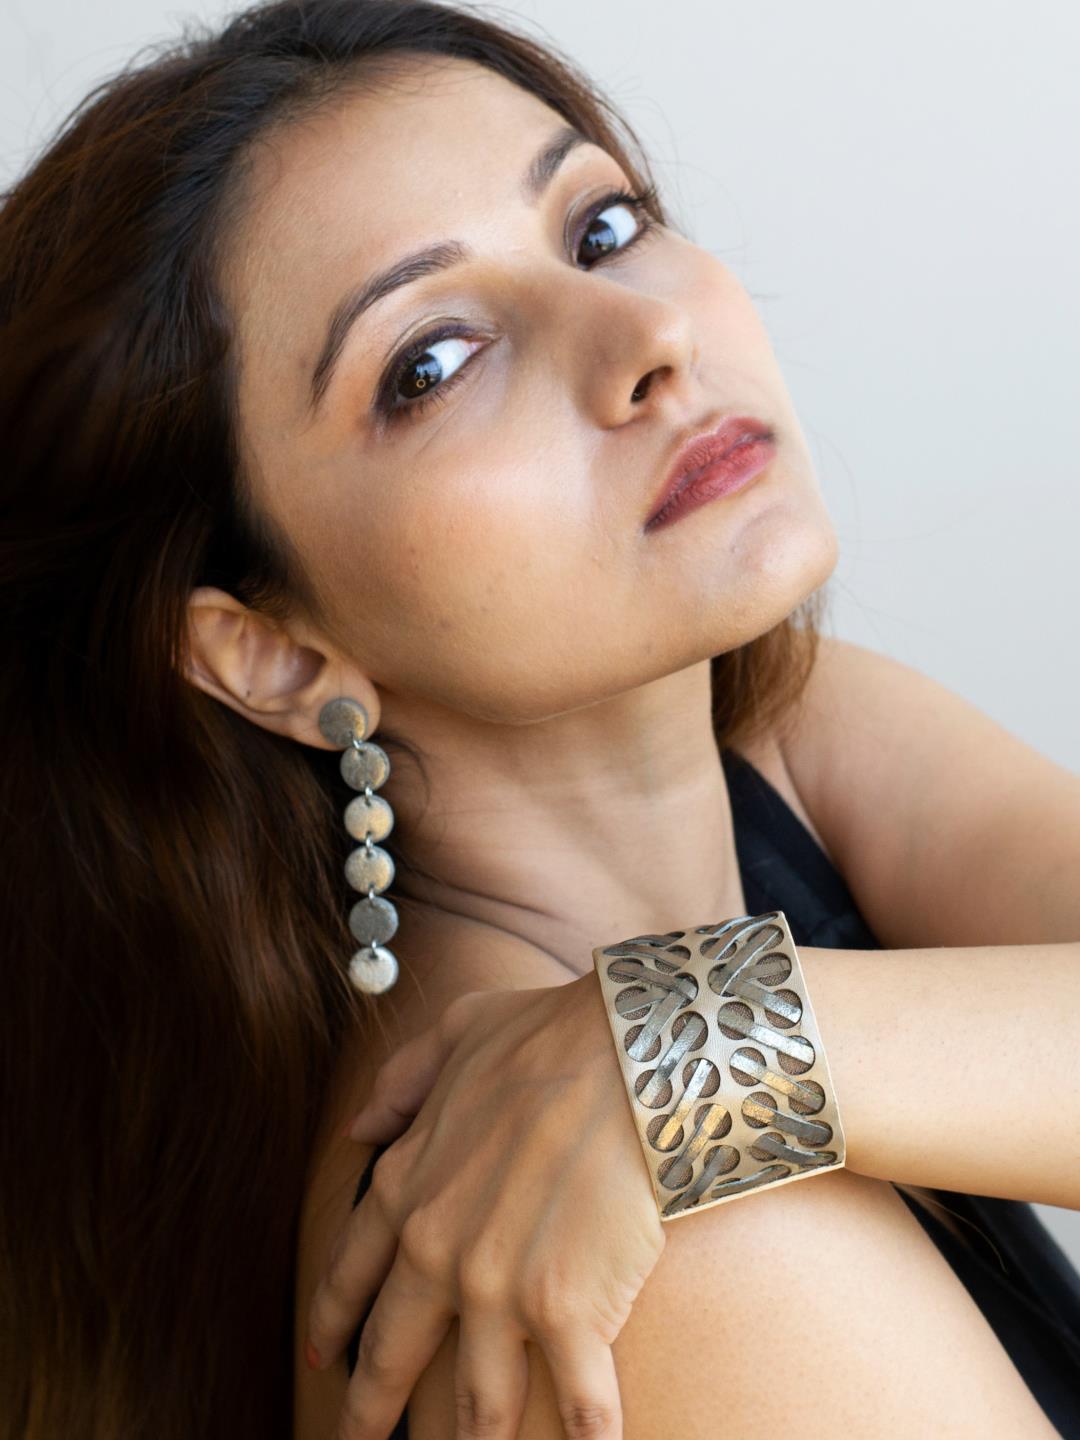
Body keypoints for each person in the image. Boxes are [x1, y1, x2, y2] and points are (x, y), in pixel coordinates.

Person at [2, 1, 1078, 1438]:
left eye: (602, 229)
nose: (647, 336)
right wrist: (706, 1059)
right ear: (270, 653)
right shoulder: (670, 1265)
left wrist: (710, 1038)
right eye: (433, 362)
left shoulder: (787, 739)